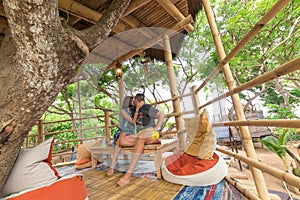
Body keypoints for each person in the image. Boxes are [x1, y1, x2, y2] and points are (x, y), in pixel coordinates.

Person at [117, 93, 165, 187]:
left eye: (133, 100)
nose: (132, 102)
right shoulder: (135, 109)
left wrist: (156, 128)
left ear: (137, 100)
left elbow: (161, 115)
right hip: (140, 134)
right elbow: (133, 121)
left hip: (150, 131)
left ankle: (129, 174)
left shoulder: (147, 107)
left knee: (140, 138)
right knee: (123, 141)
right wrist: (137, 109)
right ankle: (151, 141)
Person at [107, 96, 139, 176]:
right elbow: (132, 121)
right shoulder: (122, 111)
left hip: (131, 133)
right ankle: (112, 165)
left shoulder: (133, 111)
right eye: (133, 100)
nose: (134, 101)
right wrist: (137, 110)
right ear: (128, 101)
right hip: (123, 131)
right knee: (121, 137)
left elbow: (137, 122)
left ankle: (130, 164)